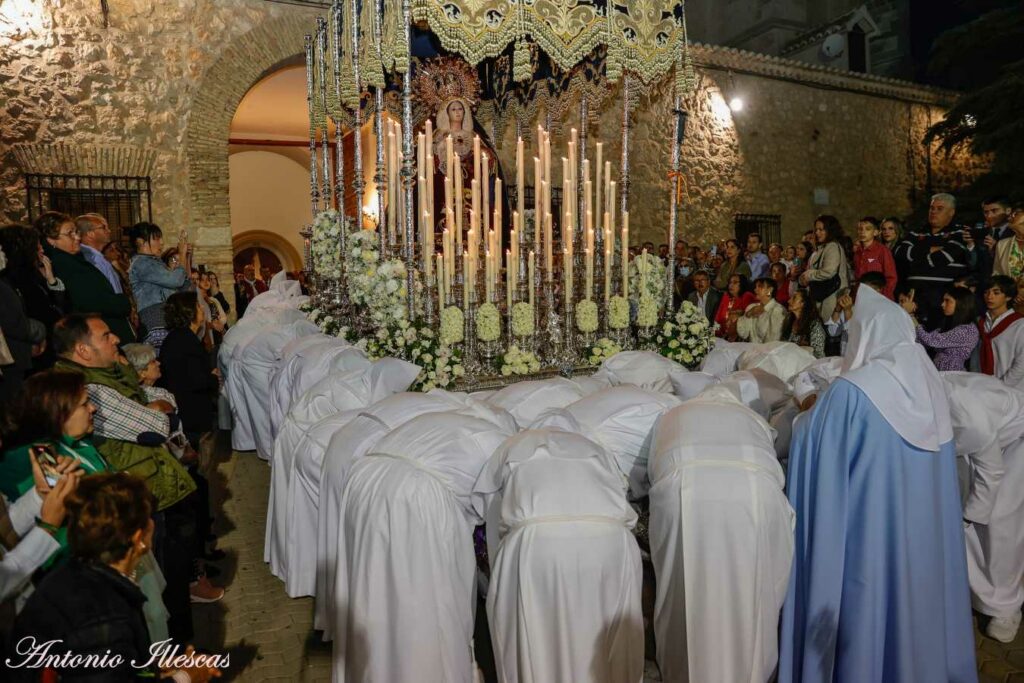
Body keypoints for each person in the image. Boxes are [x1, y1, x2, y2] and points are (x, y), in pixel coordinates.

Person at [779, 285, 976, 683]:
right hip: (922, 538)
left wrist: (805, 405)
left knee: (867, 604)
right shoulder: (929, 380)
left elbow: (811, 443)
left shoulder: (853, 391)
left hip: (866, 539)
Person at [332, 411, 510, 682]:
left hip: (364, 477)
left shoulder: (465, 422)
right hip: (415, 496)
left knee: (373, 588)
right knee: (429, 600)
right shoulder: (506, 452)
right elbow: (499, 535)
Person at [9, 473, 221, 683]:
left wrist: (149, 666)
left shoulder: (71, 573)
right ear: (139, 539)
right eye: (149, 518)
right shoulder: (105, 622)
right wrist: (186, 677)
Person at [649, 379, 793, 683]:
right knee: (754, 588)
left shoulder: (671, 416)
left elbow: (655, 470)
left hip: (687, 493)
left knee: (684, 588)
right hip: (754, 494)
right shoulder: (752, 418)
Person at [476, 429, 643, 683]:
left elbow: (485, 507)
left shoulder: (513, 445)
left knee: (536, 637)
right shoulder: (595, 446)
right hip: (610, 540)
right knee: (611, 641)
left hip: (538, 543)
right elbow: (623, 490)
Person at [942, 372, 1024, 643]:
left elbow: (991, 471)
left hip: (1015, 439)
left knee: (1001, 520)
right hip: (984, 442)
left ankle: (1006, 605)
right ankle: (977, 589)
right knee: (963, 506)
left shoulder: (967, 414)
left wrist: (967, 518)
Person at [37, 211, 135, 345]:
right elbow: (88, 301)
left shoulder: (75, 260)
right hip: (96, 336)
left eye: (76, 232)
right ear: (51, 240)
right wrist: (122, 302)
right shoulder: (65, 265)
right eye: (70, 233)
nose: (77, 237)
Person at [893, 193, 970, 328]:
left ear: (951, 212)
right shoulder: (915, 233)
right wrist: (930, 250)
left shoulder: (959, 233)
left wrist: (916, 256)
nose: (934, 212)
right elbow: (900, 253)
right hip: (912, 299)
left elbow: (945, 256)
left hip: (942, 301)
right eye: (931, 208)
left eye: (940, 208)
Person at [0, 224, 66, 371]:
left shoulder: (33, 275)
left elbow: (58, 307)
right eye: (37, 247)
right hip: (28, 357)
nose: (42, 250)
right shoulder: (14, 279)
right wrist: (38, 332)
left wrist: (51, 281)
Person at [159, 293, 220, 446]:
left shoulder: (182, 337)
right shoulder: (184, 341)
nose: (202, 309)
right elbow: (195, 379)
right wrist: (213, 378)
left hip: (189, 408)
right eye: (198, 306)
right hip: (189, 412)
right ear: (189, 312)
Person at [128, 222, 192, 349]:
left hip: (166, 316)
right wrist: (182, 254)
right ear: (141, 242)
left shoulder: (156, 263)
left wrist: (185, 257)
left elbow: (182, 286)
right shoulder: (141, 263)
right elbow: (176, 280)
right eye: (156, 239)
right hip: (155, 317)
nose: (161, 243)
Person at [903, 285, 979, 371]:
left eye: (947, 301)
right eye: (943, 300)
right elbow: (923, 342)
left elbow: (931, 341)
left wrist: (911, 315)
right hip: (938, 374)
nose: (942, 304)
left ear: (961, 303)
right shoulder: (948, 324)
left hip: (953, 377)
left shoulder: (968, 330)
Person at [976, 275, 1024, 390]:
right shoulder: (981, 322)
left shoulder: (1019, 324)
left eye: (996, 293)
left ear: (1008, 297)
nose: (989, 297)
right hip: (983, 386)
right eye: (986, 292)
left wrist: (1002, 387)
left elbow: (1022, 362)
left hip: (1012, 390)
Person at [799, 215, 850, 322]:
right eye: (816, 230)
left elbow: (829, 272)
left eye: (821, 230)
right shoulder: (822, 248)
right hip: (822, 296)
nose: (817, 233)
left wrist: (808, 275)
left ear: (830, 230)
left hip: (831, 297)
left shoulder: (832, 247)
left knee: (829, 328)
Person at [967, 196, 1014, 278]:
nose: (989, 215)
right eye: (986, 212)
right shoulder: (981, 233)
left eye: (994, 211)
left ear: (1008, 211)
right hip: (984, 285)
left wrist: (998, 248)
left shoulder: (1015, 232)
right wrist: (971, 245)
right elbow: (973, 266)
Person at [75, 214, 122, 294]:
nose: (109, 231)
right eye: (104, 228)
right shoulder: (90, 259)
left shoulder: (96, 257)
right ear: (90, 234)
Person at [853, 216, 897, 298]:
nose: (863, 232)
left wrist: (883, 296)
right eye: (860, 229)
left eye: (868, 229)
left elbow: (891, 277)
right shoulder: (857, 252)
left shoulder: (882, 250)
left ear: (876, 232)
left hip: (879, 297)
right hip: (862, 297)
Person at [737, 277, 787, 343]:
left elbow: (773, 341)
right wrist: (747, 315)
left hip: (768, 351)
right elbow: (743, 334)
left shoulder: (778, 310)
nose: (755, 290)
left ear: (770, 290)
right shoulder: (751, 307)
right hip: (751, 349)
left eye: (760, 286)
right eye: (755, 287)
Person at [784, 289, 826, 358]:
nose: (789, 301)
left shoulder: (814, 325)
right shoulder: (789, 320)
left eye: (794, 298)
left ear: (803, 303)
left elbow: (818, 354)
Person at [714, 273, 755, 341]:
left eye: (735, 282)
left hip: (739, 337)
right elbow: (718, 318)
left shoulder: (747, 296)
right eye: (730, 282)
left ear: (742, 284)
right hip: (723, 336)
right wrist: (716, 333)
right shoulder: (726, 296)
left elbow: (747, 316)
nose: (731, 285)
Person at [992, 201, 1024, 279]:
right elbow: (997, 274)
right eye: (1010, 215)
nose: (1010, 217)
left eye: (1016, 214)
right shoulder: (1002, 244)